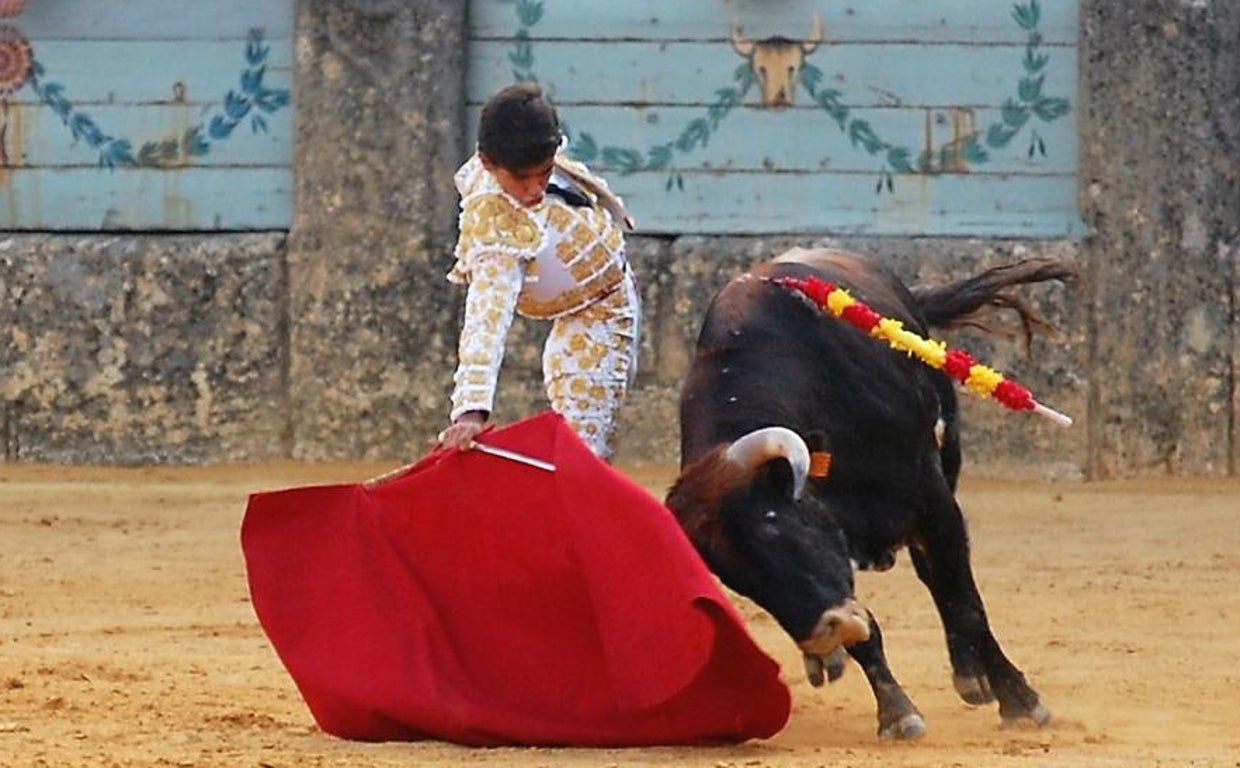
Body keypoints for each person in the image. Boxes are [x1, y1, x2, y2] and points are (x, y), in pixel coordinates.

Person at [436, 82, 641, 460]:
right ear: (487, 164)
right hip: (594, 313)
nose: (534, 190)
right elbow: (487, 316)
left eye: (543, 173)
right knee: (583, 457)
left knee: (584, 452)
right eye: (521, 179)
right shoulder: (495, 224)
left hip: (606, 301)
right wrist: (471, 409)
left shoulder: (522, 152)